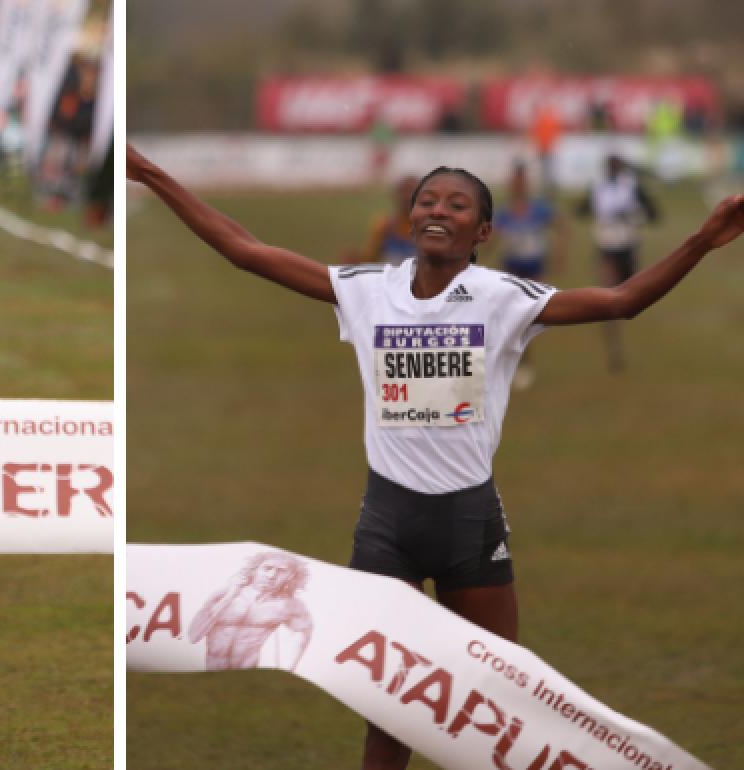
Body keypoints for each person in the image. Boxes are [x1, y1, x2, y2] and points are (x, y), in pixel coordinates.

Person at [126, 143, 744, 770]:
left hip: (469, 525)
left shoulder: (503, 297)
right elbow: (245, 250)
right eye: (427, 199)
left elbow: (622, 301)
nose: (437, 210)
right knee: (389, 716)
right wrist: (149, 173)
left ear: (482, 231)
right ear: (410, 216)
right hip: (386, 527)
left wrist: (701, 241)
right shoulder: (367, 292)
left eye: (457, 204)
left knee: (500, 707)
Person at [576, 153, 660, 373]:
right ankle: (615, 352)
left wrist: (633, 214)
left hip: (628, 247)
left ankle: (619, 342)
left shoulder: (631, 186)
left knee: (631, 300)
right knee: (609, 300)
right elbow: (581, 209)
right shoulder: (597, 186)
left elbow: (654, 214)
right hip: (606, 248)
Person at [490, 162, 569, 388]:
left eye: (521, 181)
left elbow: (562, 227)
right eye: (515, 181)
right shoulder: (504, 211)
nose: (518, 185)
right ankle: (517, 362)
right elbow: (492, 241)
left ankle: (523, 363)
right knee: (511, 319)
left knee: (526, 318)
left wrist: (559, 255)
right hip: (511, 269)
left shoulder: (539, 208)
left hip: (534, 268)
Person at [189, 551, 312, 671]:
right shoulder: (223, 594)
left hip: (247, 674)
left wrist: (287, 670)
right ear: (254, 570)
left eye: (281, 571)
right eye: (267, 568)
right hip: (212, 670)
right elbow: (193, 636)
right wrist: (229, 596)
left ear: (290, 576)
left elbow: (302, 637)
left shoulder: (288, 605)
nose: (272, 575)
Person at [342, 175, 418, 265]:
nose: (407, 196)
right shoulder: (385, 226)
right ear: (395, 196)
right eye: (404, 192)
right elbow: (370, 259)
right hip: (394, 278)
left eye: (411, 192)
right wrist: (355, 261)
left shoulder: (428, 227)